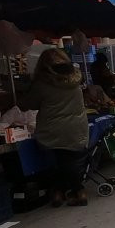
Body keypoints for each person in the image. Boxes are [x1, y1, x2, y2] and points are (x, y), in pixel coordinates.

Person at [18, 48, 90, 207]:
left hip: (52, 128)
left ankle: (71, 191)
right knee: (67, 161)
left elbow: (28, 104)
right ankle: (66, 192)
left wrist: (20, 94)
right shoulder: (76, 78)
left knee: (58, 161)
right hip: (77, 126)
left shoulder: (42, 84)